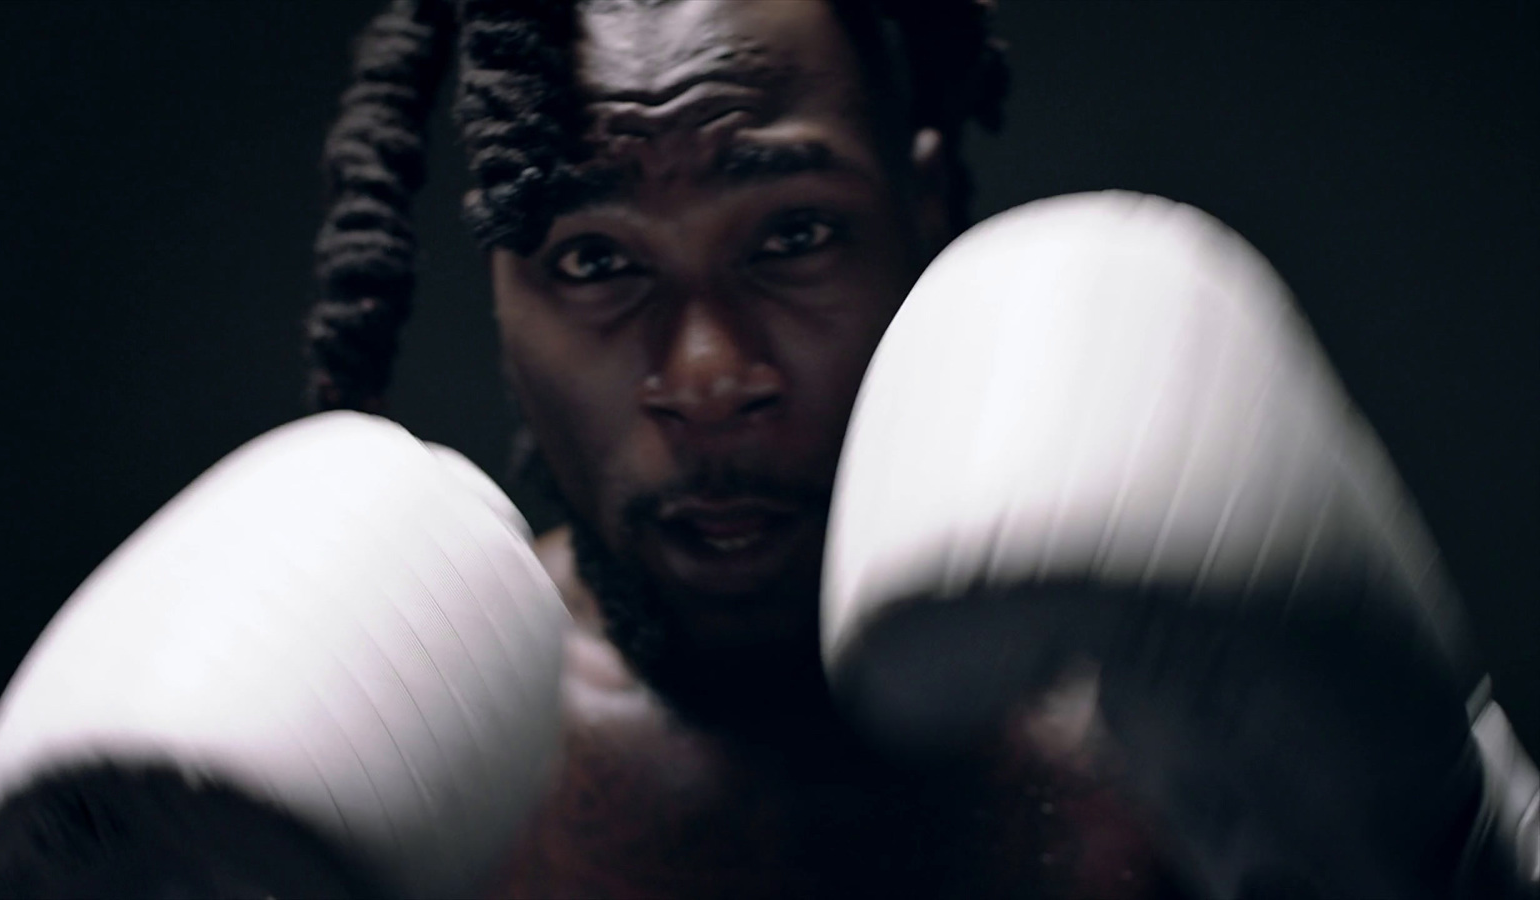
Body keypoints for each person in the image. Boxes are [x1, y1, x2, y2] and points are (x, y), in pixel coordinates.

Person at [300, 0, 1194, 896]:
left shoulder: (1162, 720)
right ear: (500, 289)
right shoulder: (381, 750)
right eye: (595, 262)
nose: (708, 380)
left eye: (792, 237)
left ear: (919, 210)